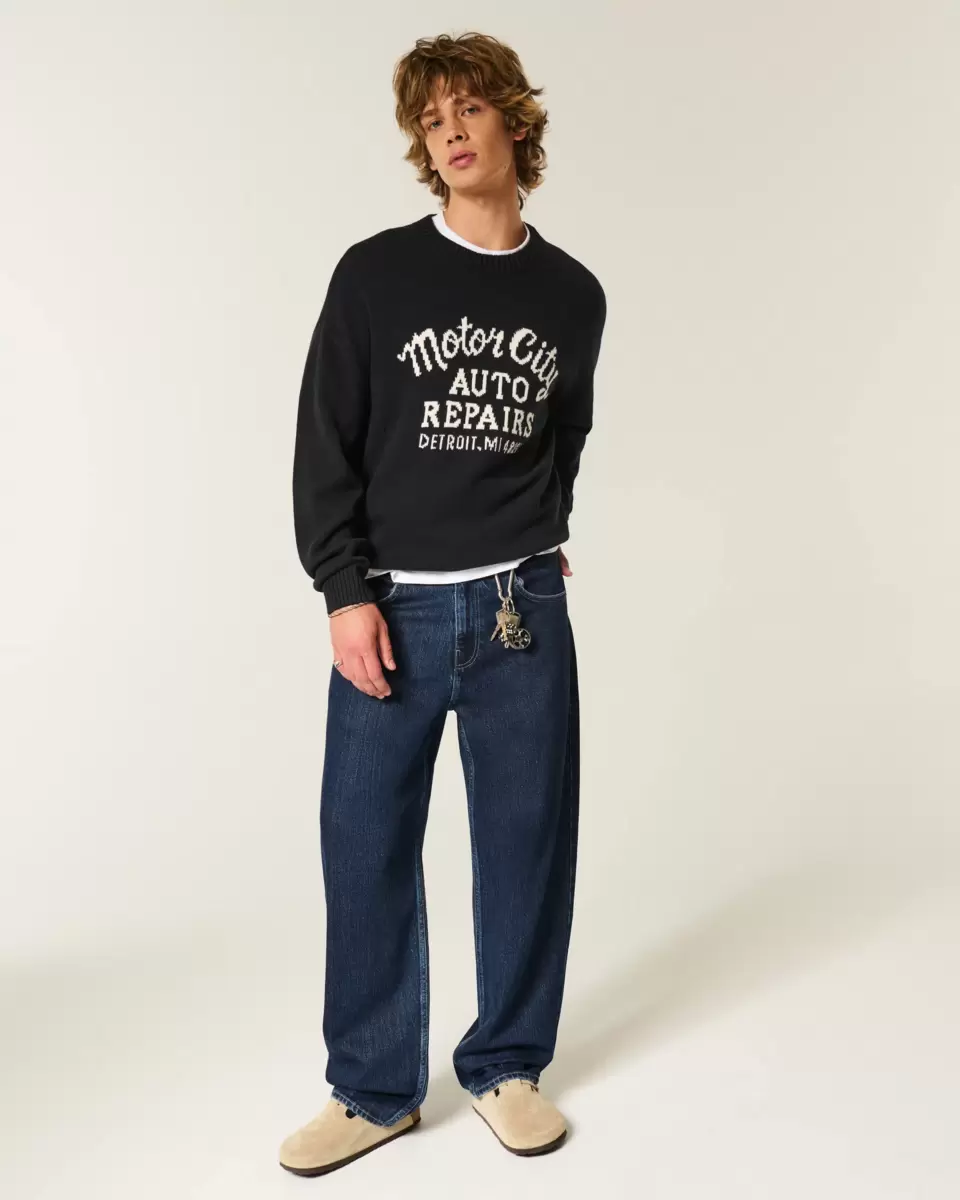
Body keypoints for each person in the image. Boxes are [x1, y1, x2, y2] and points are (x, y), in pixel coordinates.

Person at [279, 30, 606, 1177]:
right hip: (396, 609)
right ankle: (373, 1089)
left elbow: (566, 432)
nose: (452, 131)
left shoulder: (572, 294)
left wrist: (542, 531)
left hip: (523, 607)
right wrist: (343, 591)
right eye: (432, 119)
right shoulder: (375, 274)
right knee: (364, 843)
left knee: (526, 842)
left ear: (515, 118)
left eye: (470, 108)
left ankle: (508, 1065)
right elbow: (326, 444)